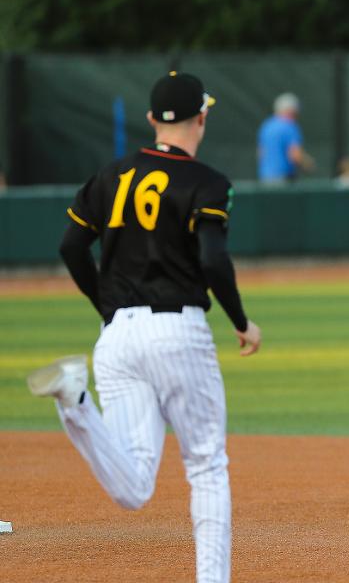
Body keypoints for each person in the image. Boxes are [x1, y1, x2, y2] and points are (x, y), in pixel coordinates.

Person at [27, 72, 262, 583]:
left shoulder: (111, 175)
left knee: (134, 488)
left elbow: (71, 246)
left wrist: (106, 307)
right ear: (202, 117)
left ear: (153, 119)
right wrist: (241, 321)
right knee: (206, 466)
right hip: (179, 333)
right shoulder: (207, 182)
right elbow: (214, 261)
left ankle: (75, 399)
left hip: (117, 338)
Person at [257, 92, 314, 183]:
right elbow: (295, 155)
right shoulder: (290, 126)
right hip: (284, 179)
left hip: (265, 178)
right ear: (291, 110)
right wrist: (308, 165)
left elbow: (261, 153)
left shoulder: (266, 126)